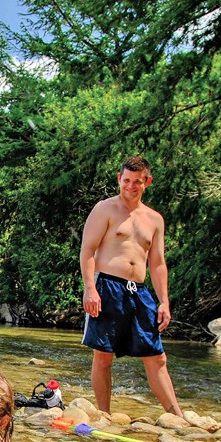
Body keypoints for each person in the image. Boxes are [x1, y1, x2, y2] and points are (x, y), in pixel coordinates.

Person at [79, 155, 185, 419]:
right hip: (107, 286)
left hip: (139, 291)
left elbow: (158, 263)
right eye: (126, 180)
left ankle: (177, 417)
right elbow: (87, 250)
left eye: (137, 182)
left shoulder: (154, 219)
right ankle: (105, 415)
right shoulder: (105, 209)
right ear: (119, 179)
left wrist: (164, 301)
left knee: (157, 357)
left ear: (147, 182)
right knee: (103, 356)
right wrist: (90, 288)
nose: (131, 186)